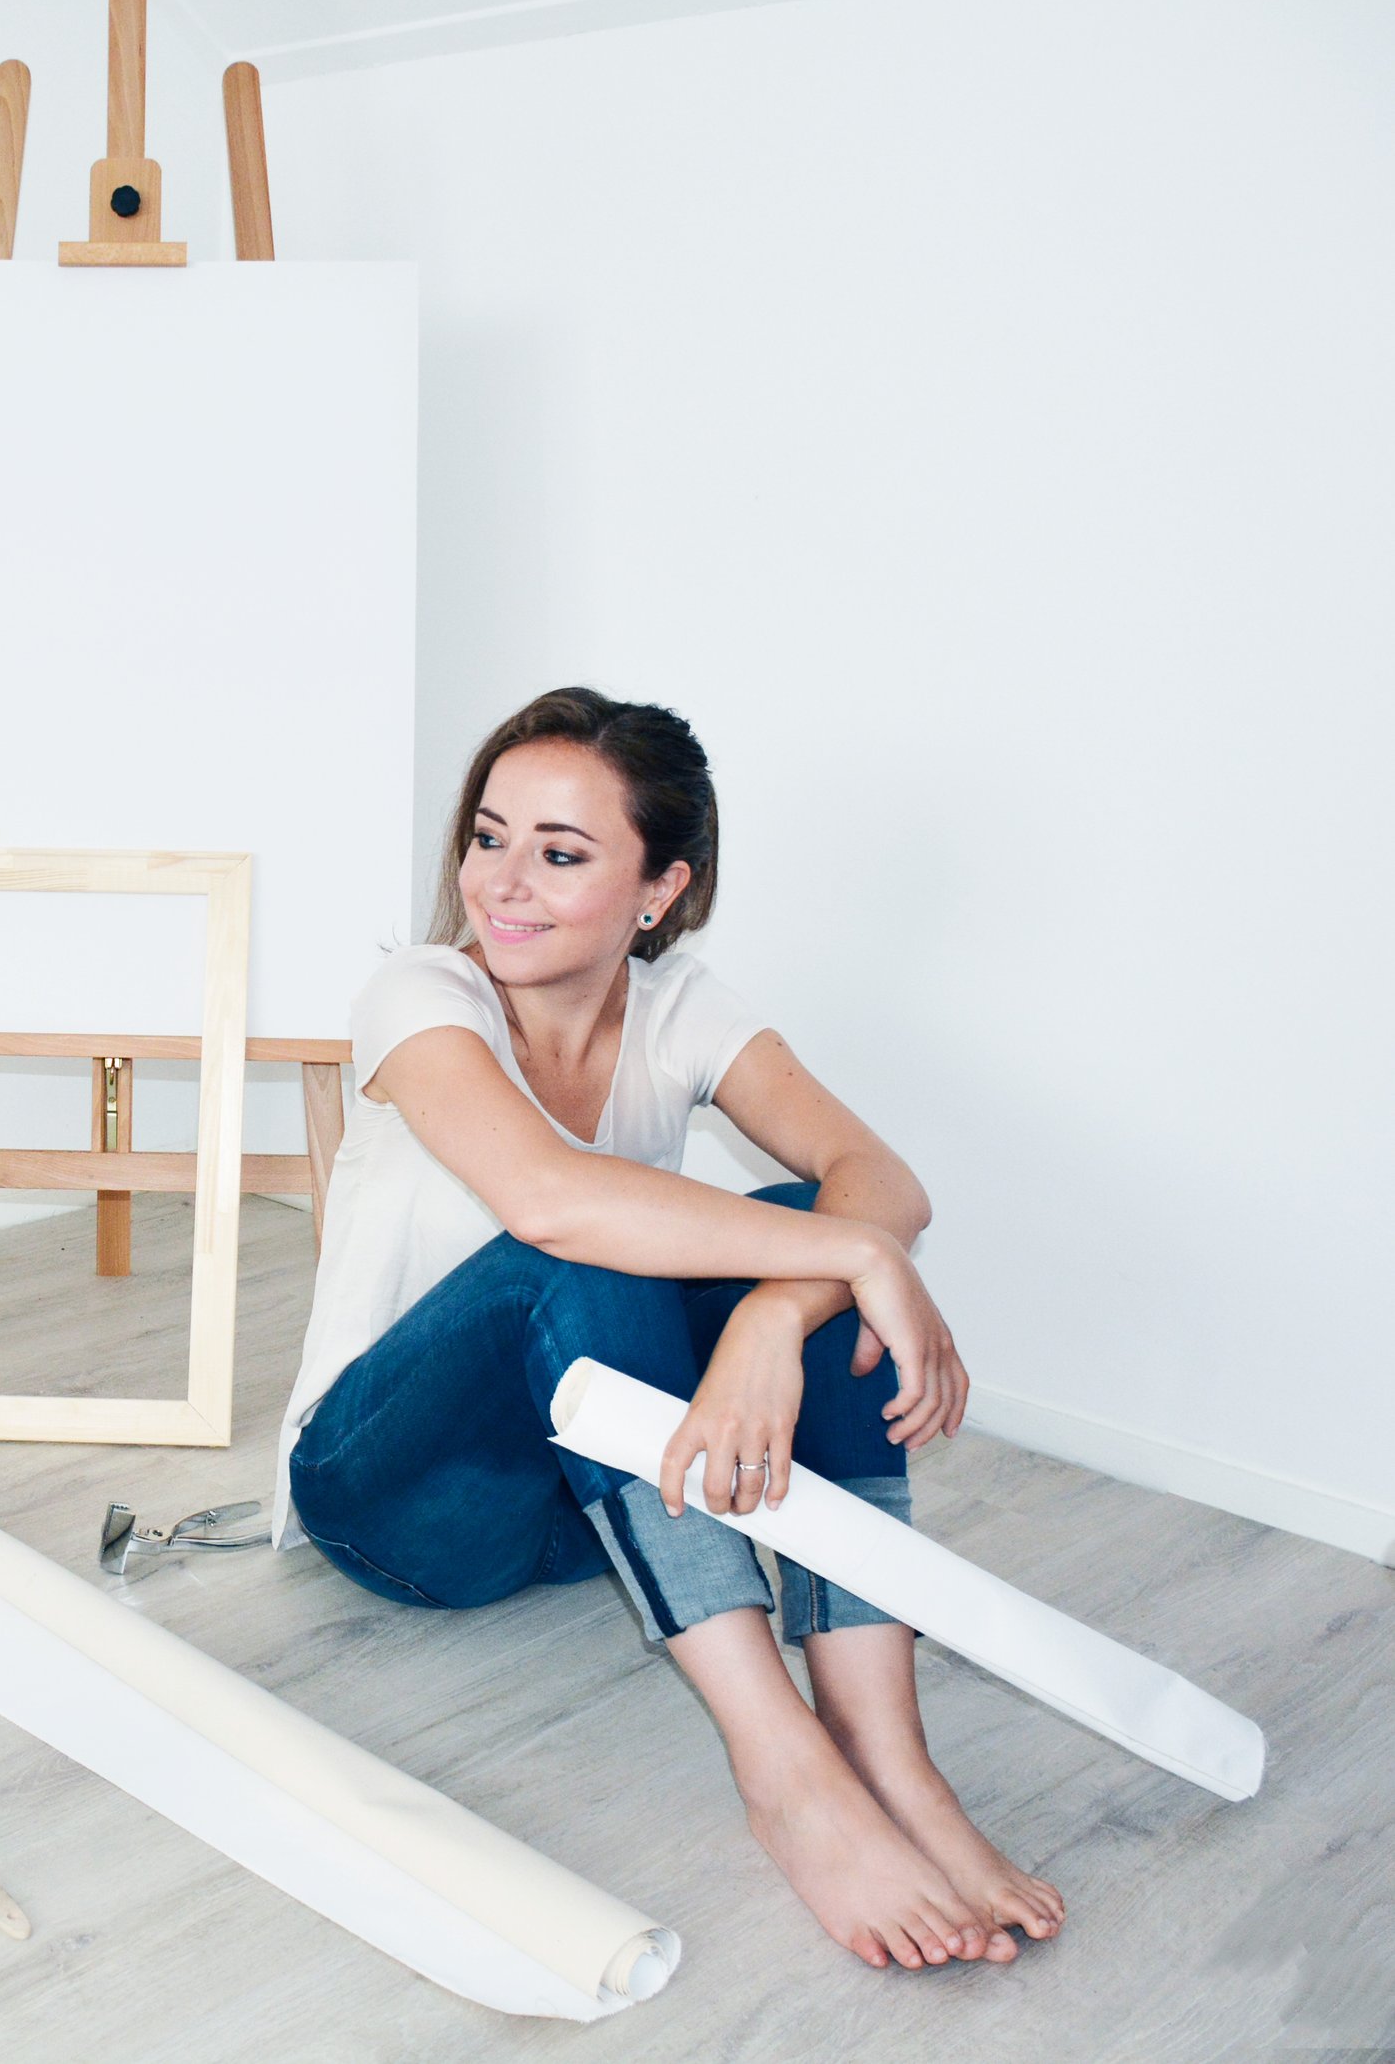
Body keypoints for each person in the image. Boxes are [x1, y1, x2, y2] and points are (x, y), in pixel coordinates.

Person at [273, 685, 1066, 1972]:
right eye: (489, 836)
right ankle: (788, 1775)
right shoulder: (417, 995)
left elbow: (878, 1179)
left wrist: (776, 1312)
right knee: (589, 1248)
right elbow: (548, 1197)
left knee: (802, 1228)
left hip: (606, 1503)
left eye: (561, 852)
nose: (504, 884)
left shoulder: (685, 1005)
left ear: (659, 889)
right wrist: (852, 1255)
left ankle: (889, 1755)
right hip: (397, 1498)